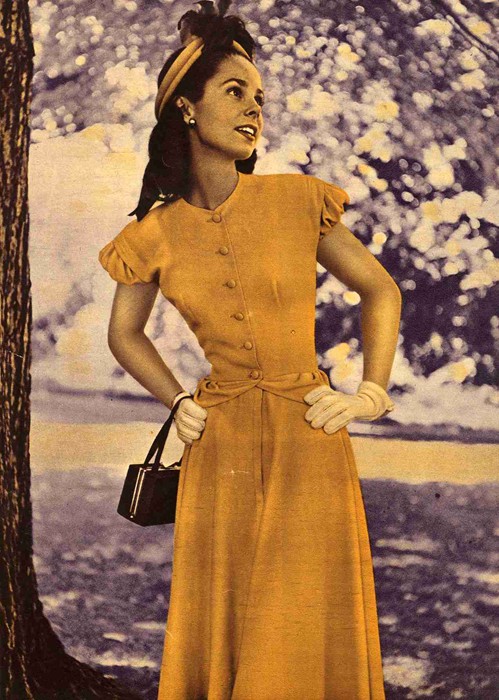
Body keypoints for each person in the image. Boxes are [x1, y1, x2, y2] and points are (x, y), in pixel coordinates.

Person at [98, 2, 402, 698]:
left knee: (300, 618)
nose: (254, 109)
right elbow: (124, 334)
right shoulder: (153, 233)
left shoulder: (297, 200)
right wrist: (177, 399)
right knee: (230, 621)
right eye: (235, 91)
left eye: (259, 97)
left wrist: (369, 394)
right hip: (219, 443)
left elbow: (380, 290)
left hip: (309, 431)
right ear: (185, 108)